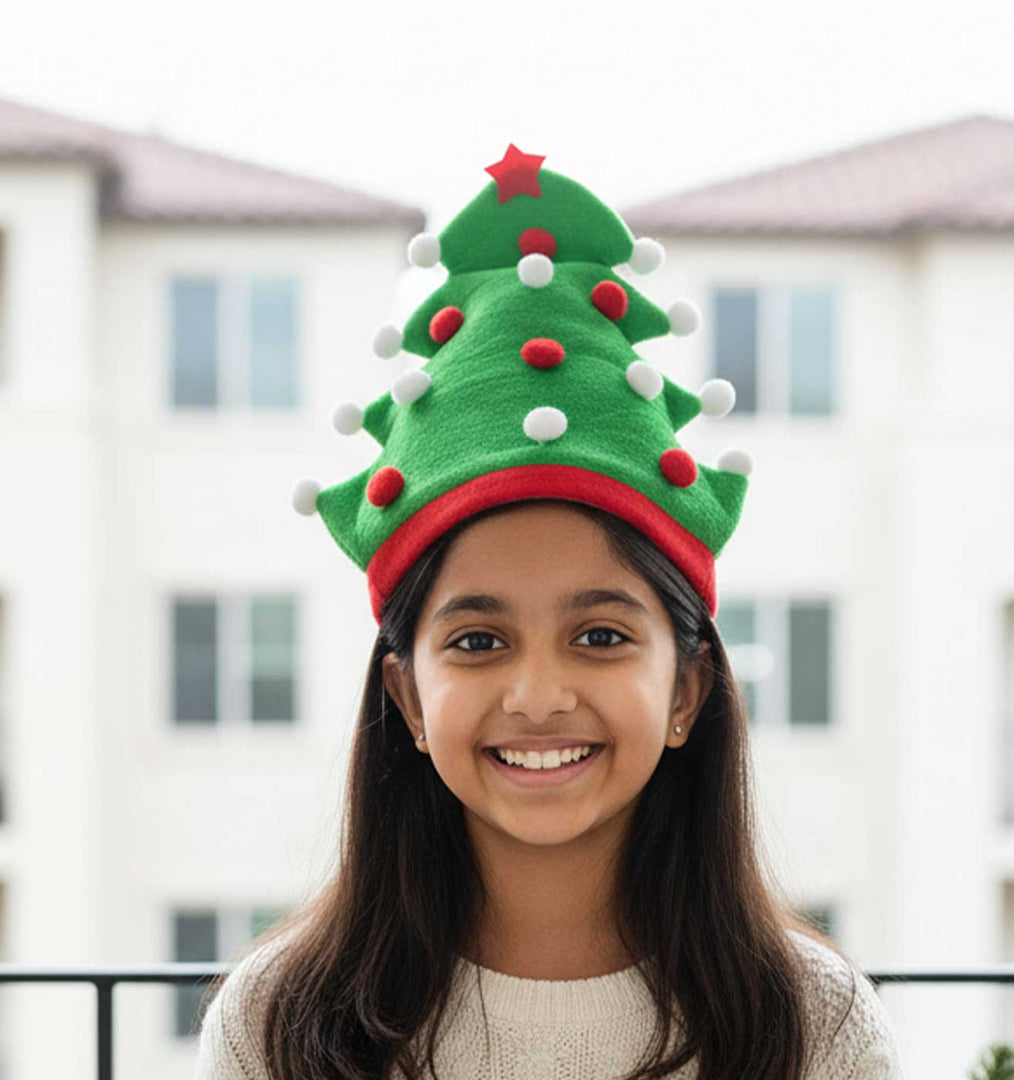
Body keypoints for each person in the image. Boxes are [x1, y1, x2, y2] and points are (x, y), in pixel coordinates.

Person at [195, 144, 904, 1079]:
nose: (536, 695)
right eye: (478, 640)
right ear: (408, 698)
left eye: (601, 636)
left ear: (687, 687)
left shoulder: (815, 1024)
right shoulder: (278, 1022)